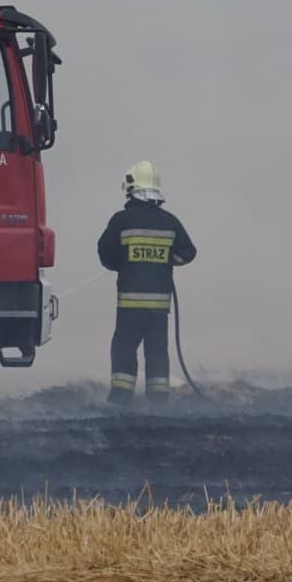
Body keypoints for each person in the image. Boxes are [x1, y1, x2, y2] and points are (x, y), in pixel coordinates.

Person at [97, 161, 197, 406]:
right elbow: (188, 252)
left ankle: (121, 399)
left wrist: (124, 262)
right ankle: (158, 401)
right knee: (157, 352)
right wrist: (164, 260)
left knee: (124, 349)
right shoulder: (170, 222)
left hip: (129, 306)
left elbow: (106, 255)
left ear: (131, 189)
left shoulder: (121, 221)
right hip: (158, 308)